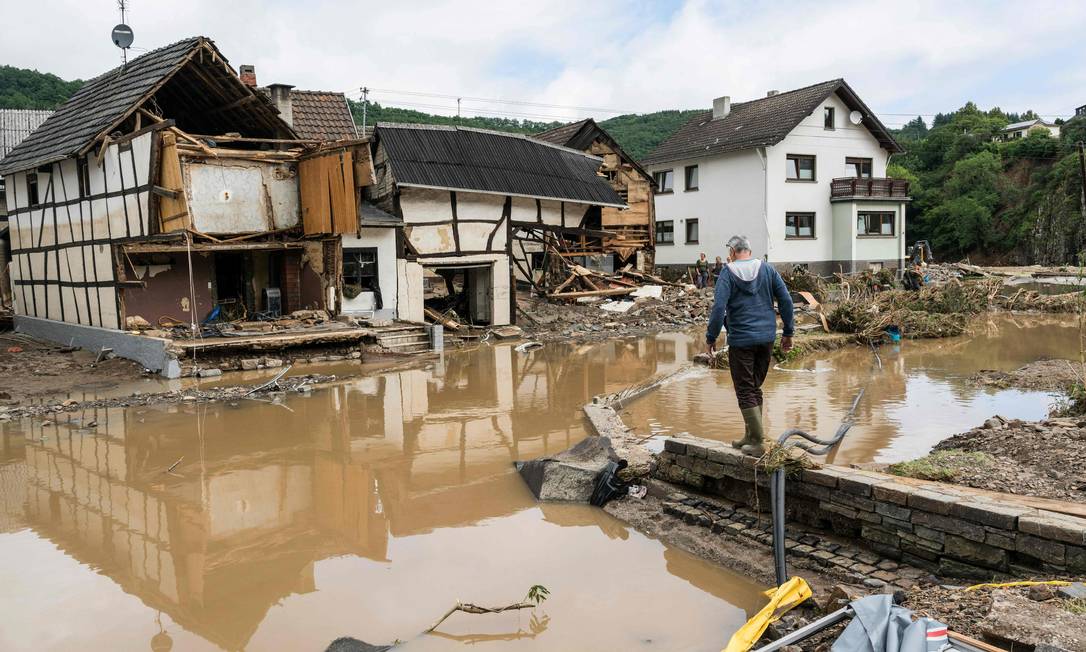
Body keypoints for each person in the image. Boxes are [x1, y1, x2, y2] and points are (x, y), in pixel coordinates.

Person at [706, 235, 795, 456]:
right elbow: (786, 300)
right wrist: (788, 332)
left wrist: (711, 337)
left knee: (745, 389)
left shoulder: (727, 272)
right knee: (754, 387)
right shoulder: (767, 269)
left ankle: (757, 441)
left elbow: (719, 308)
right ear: (749, 249)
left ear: (733, 252)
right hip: (766, 338)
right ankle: (751, 434)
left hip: (742, 339)